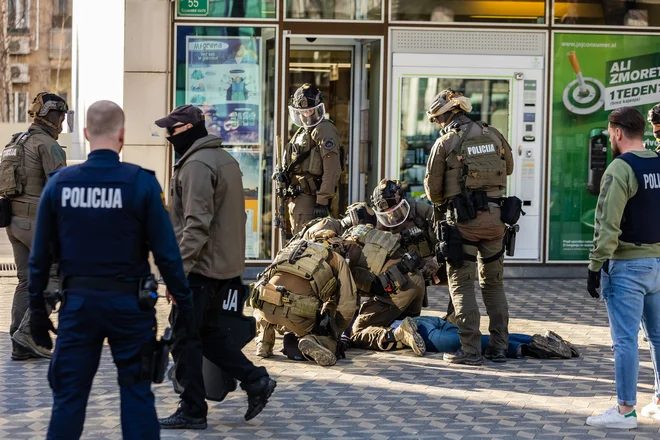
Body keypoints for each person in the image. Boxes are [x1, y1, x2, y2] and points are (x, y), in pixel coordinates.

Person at [27, 100, 193, 439]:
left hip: (78, 307)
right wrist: (186, 306)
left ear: (86, 134)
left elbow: (38, 257)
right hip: (130, 307)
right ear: (122, 136)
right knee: (136, 396)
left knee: (69, 399)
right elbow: (167, 254)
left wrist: (37, 313)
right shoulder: (142, 184)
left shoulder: (60, 184)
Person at [155, 105, 276, 429]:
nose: (169, 136)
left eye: (173, 130)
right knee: (206, 334)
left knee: (184, 338)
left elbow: (196, 226)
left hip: (200, 270)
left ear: (191, 129)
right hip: (224, 268)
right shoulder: (224, 159)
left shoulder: (196, 164)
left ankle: (192, 410)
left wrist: (176, 272)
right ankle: (256, 381)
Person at [424, 88, 515, 365]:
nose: (439, 125)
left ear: (448, 115)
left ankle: (470, 350)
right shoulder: (493, 134)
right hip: (497, 220)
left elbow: (433, 190)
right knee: (493, 285)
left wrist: (447, 202)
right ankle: (499, 347)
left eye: (438, 120)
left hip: (463, 223)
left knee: (462, 285)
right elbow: (508, 167)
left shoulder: (446, 143)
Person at [585, 107, 660, 430]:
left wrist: (595, 265)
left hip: (628, 266)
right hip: (658, 264)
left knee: (626, 340)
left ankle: (626, 409)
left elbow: (607, 225)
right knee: (658, 336)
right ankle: (658, 401)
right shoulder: (658, 161)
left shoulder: (619, 169)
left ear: (616, 133)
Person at [1, 92, 69, 361]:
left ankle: (19, 341)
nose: (62, 124)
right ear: (52, 116)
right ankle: (27, 333)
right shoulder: (47, 145)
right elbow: (61, 190)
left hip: (13, 224)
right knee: (55, 277)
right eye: (61, 117)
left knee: (26, 281)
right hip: (37, 225)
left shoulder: (15, 142)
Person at [250, 236, 358, 366]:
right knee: (330, 324)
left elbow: (263, 280)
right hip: (298, 315)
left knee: (264, 295)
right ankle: (313, 340)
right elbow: (347, 304)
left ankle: (264, 343)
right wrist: (335, 331)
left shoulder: (291, 247)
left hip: (266, 310)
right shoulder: (336, 258)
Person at [275, 83, 343, 234]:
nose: (307, 114)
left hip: (312, 200)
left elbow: (332, 169)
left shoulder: (324, 130)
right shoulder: (300, 132)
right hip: (297, 199)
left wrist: (322, 201)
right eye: (302, 111)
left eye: (310, 110)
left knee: (307, 249)